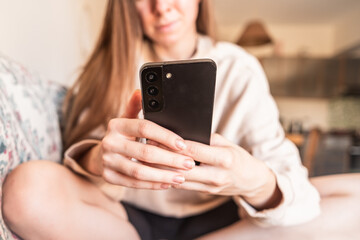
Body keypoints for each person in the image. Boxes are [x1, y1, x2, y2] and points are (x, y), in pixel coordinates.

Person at [2, 0, 359, 239]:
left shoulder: (239, 68)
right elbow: (75, 180)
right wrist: (98, 159)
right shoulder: (106, 71)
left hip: (222, 219)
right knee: (25, 189)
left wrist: (256, 181)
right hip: (126, 220)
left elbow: (290, 182)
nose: (162, 7)